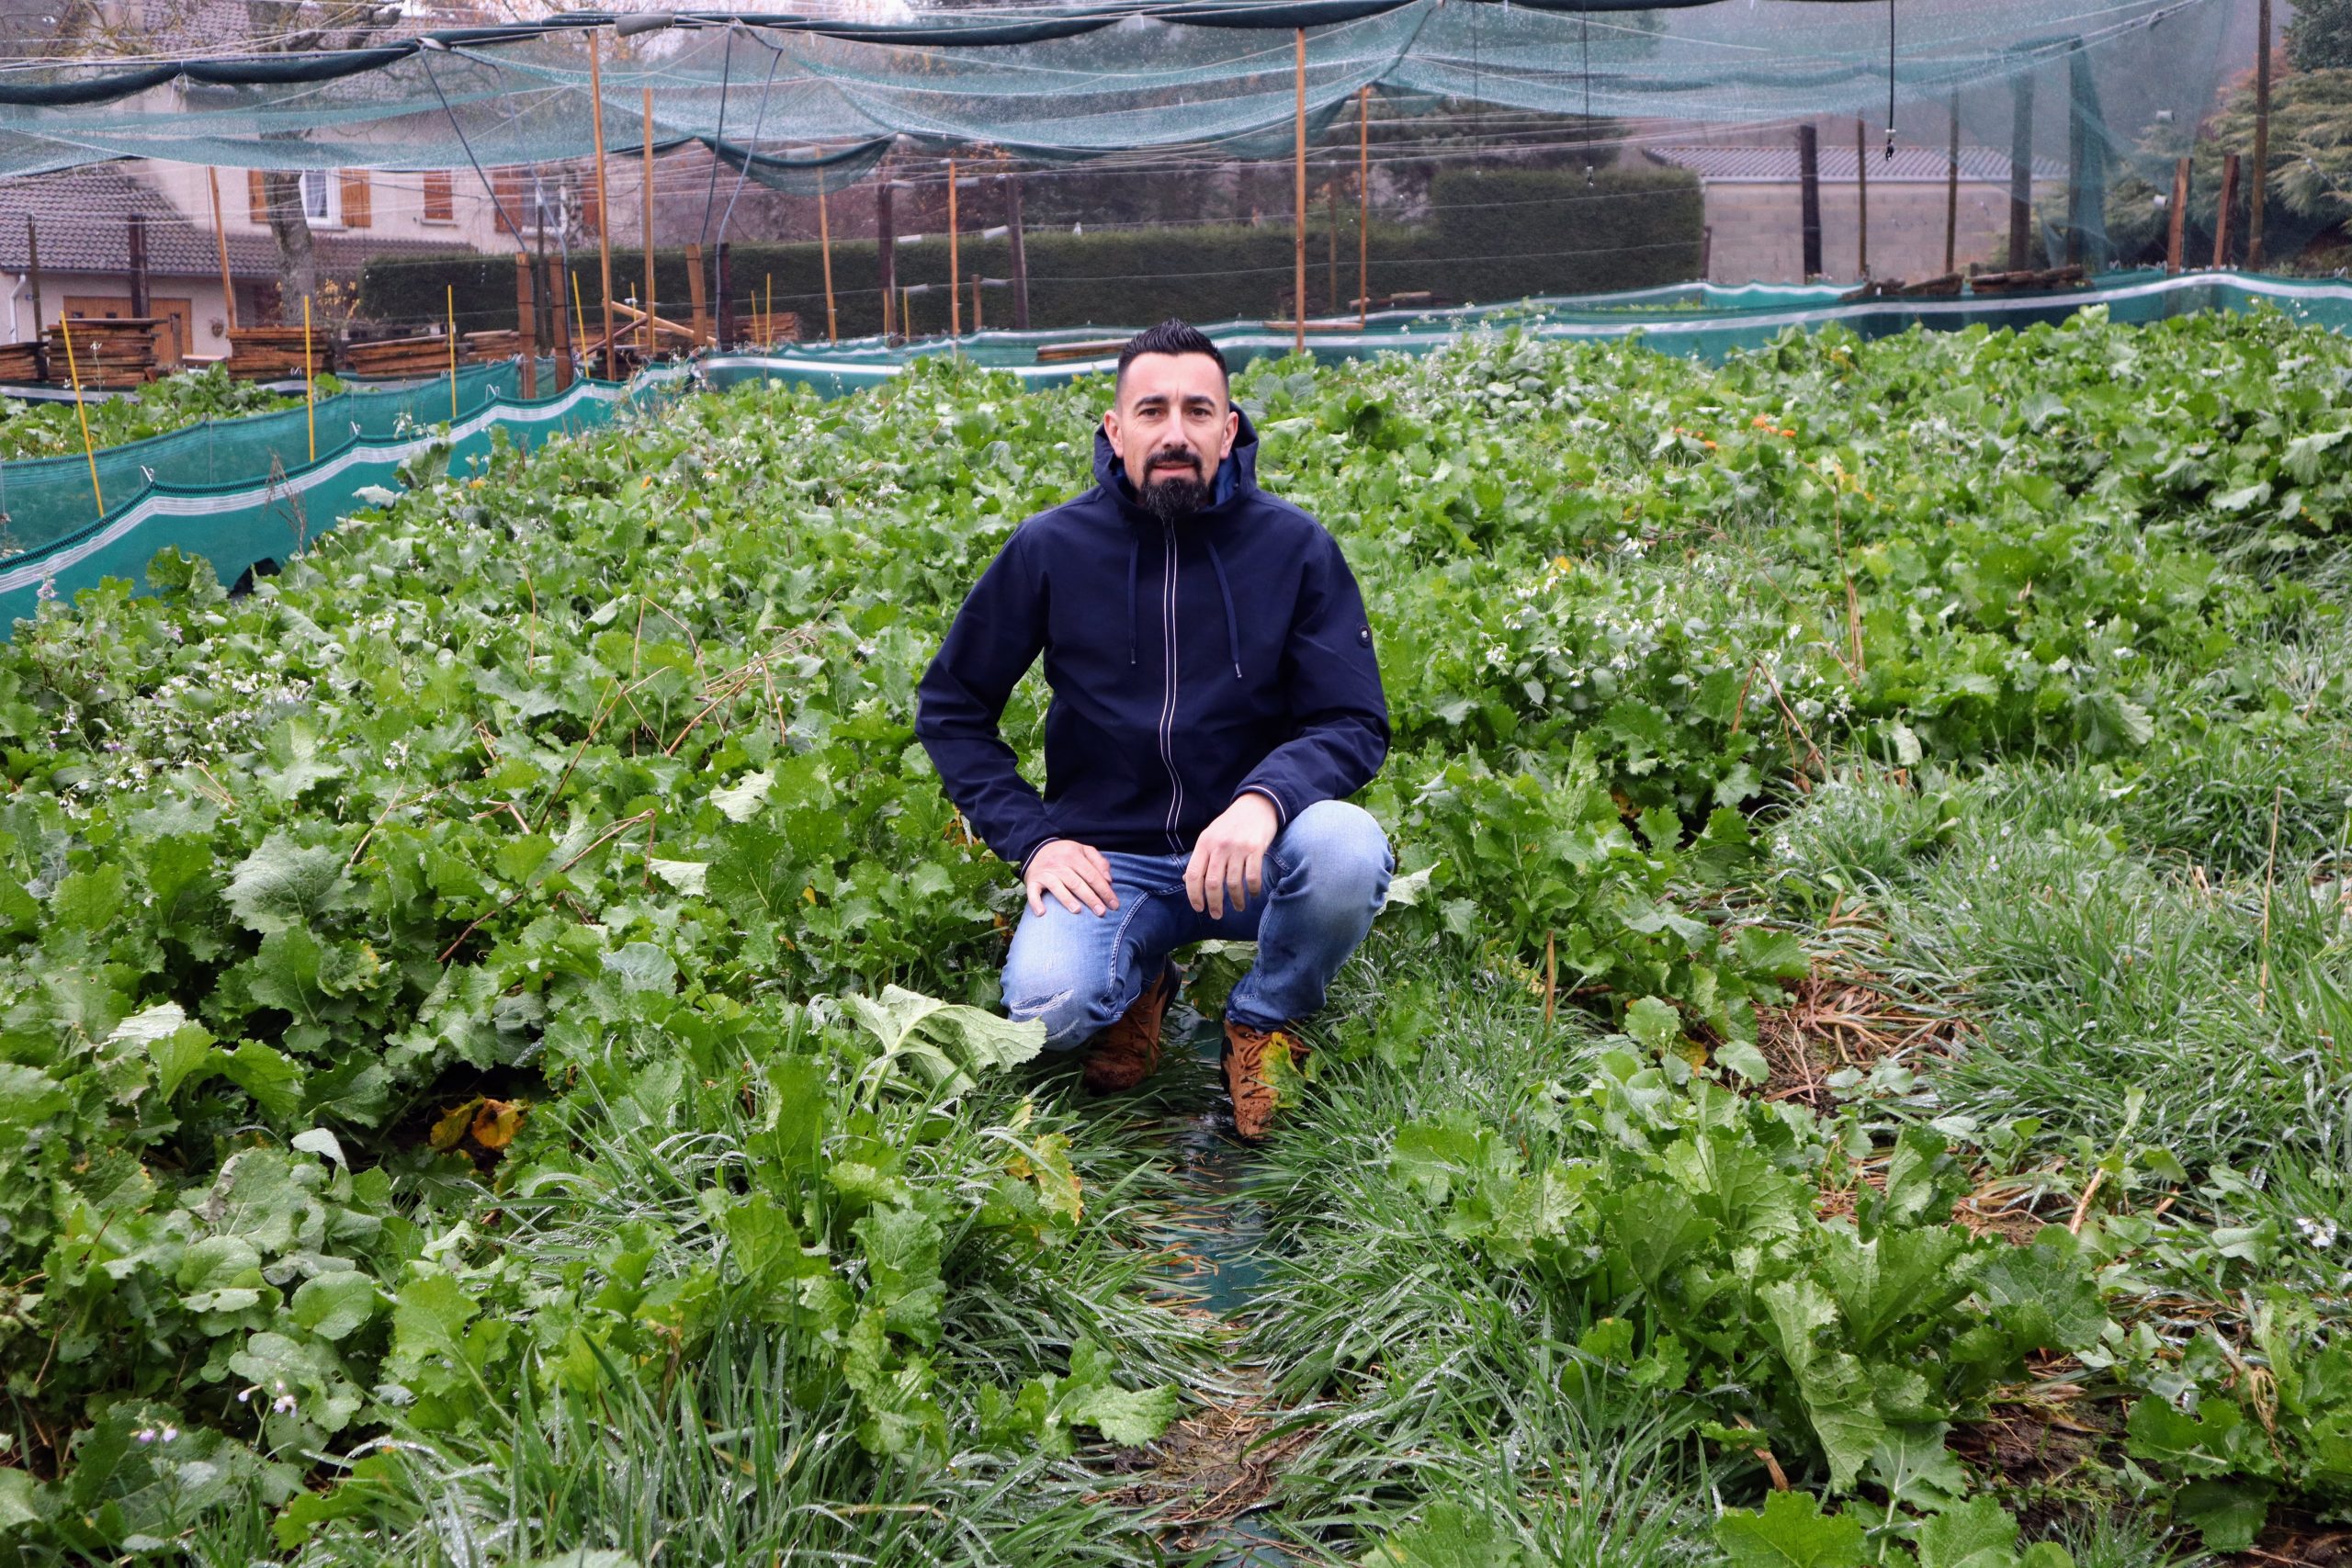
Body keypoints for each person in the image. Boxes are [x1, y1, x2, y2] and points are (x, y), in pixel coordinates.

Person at [915, 319, 1392, 1141]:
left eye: (1198, 411)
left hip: (1249, 855)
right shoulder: (1051, 548)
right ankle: (1140, 983)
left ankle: (1264, 1015)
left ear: (1228, 429)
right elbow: (951, 705)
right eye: (1152, 410)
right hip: (1111, 865)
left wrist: (1265, 800)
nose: (1176, 433)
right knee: (1049, 1007)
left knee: (1348, 849)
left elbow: (1353, 719)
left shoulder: (1295, 548)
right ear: (1115, 428)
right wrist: (1035, 841)